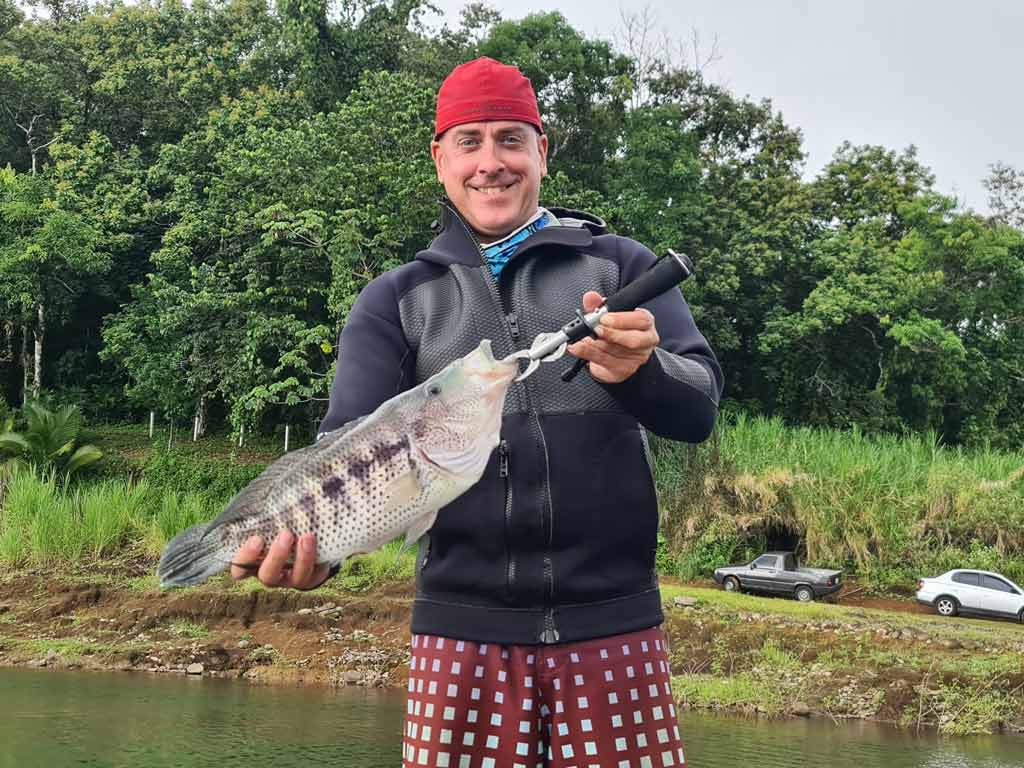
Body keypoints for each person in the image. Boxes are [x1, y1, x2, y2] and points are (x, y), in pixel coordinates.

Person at [230, 57, 723, 768]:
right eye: (469, 142)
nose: (491, 163)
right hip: (458, 640)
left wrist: (643, 371)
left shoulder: (620, 269)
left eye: (510, 140)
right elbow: (344, 458)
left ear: (541, 152)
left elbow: (699, 406)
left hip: (615, 629)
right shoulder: (394, 301)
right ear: (440, 159)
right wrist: (319, 558)